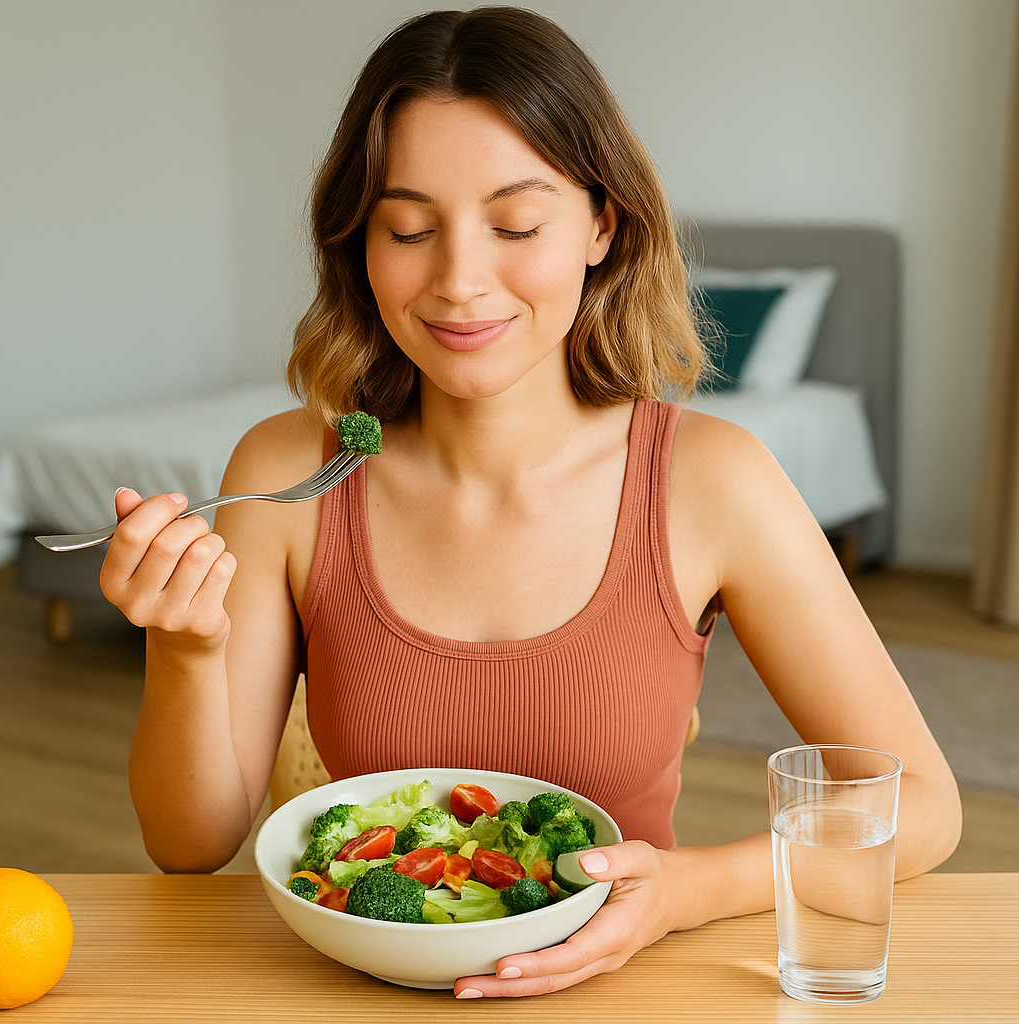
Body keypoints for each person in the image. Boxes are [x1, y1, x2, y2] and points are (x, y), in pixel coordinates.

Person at [103, 6, 961, 999]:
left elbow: (925, 809)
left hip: (626, 993)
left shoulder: (712, 479)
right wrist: (183, 648)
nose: (460, 281)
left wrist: (688, 889)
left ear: (602, 224)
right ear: (359, 241)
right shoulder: (292, 471)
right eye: (409, 228)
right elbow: (190, 845)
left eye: (515, 225)